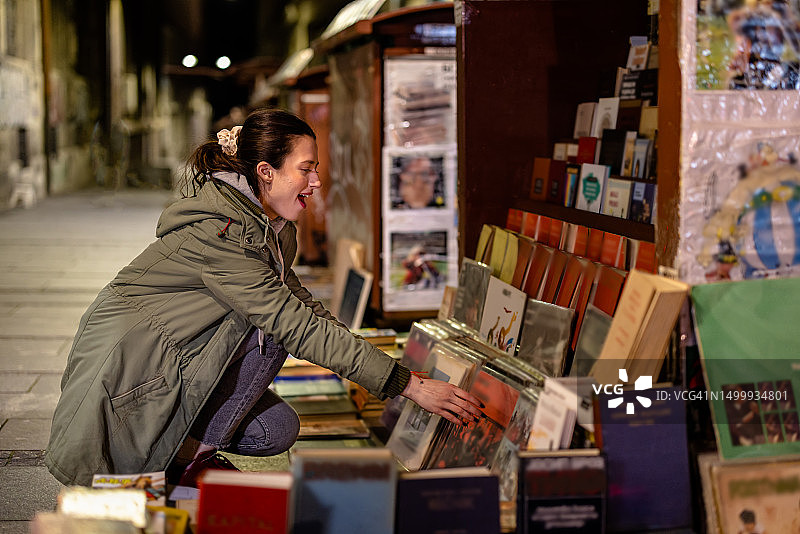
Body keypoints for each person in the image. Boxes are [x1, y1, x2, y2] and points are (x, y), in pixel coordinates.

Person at [45, 109, 484, 487]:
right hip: (133, 374)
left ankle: (187, 450)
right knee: (274, 333)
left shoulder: (267, 229)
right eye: (306, 169)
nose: (316, 182)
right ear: (266, 172)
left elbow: (304, 306)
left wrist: (388, 370)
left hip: (177, 361)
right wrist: (407, 386)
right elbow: (292, 323)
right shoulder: (221, 233)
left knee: (277, 429)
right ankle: (181, 460)